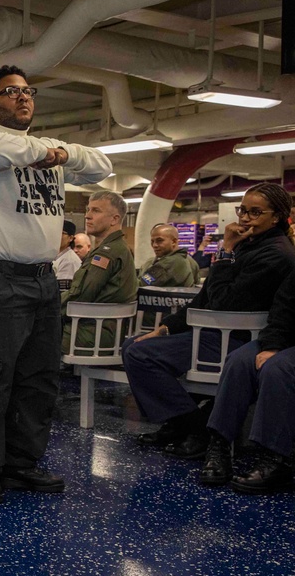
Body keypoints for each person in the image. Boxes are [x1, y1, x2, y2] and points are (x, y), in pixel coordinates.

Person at [0, 65, 111, 503]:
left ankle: (21, 463)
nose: (24, 98)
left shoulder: (46, 153)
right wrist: (46, 151)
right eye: (11, 92)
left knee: (39, 379)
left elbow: (102, 164)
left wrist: (56, 153)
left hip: (41, 279)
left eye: (28, 92)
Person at [123, 183, 295, 460]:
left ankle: (194, 427)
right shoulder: (250, 245)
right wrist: (167, 328)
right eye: (243, 210)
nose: (245, 218)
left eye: (255, 212)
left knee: (141, 355)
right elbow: (205, 299)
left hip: (236, 339)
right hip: (214, 331)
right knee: (133, 344)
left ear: (276, 217)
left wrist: (225, 250)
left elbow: (225, 301)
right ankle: (180, 421)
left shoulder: (275, 254)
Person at [200, 270, 295, 493]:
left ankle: (277, 458)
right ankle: (220, 444)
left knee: (277, 369)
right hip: (287, 339)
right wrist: (273, 345)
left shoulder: (275, 253)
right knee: (239, 361)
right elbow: (283, 309)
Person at [61, 191, 137, 354]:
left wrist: (45, 308)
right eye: (88, 210)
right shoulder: (117, 248)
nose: (87, 216)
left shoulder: (107, 253)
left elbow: (80, 295)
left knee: (25, 333)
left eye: (96, 211)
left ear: (114, 219)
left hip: (92, 333)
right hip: (101, 331)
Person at [53, 220, 81, 291]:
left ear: (71, 238)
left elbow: (63, 291)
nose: (57, 236)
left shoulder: (69, 261)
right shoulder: (56, 255)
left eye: (61, 233)